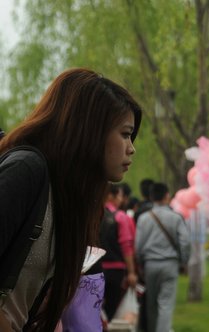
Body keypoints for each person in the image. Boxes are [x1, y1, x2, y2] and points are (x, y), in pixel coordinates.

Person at [0, 68, 142, 331]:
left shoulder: (70, 199)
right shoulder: (26, 170)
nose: (131, 148)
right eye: (125, 134)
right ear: (89, 129)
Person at [135, 182, 191, 332]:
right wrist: (184, 261)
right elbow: (185, 242)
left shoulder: (143, 218)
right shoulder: (176, 218)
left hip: (149, 265)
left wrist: (140, 264)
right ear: (167, 196)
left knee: (151, 305)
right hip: (170, 264)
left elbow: (138, 246)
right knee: (165, 304)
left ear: (151, 197)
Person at [100, 183, 138, 322]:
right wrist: (132, 272)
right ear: (111, 195)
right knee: (111, 309)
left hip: (94, 269)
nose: (121, 200)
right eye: (120, 196)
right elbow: (126, 246)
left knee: (95, 309)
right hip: (115, 269)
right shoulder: (121, 217)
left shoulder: (92, 214)